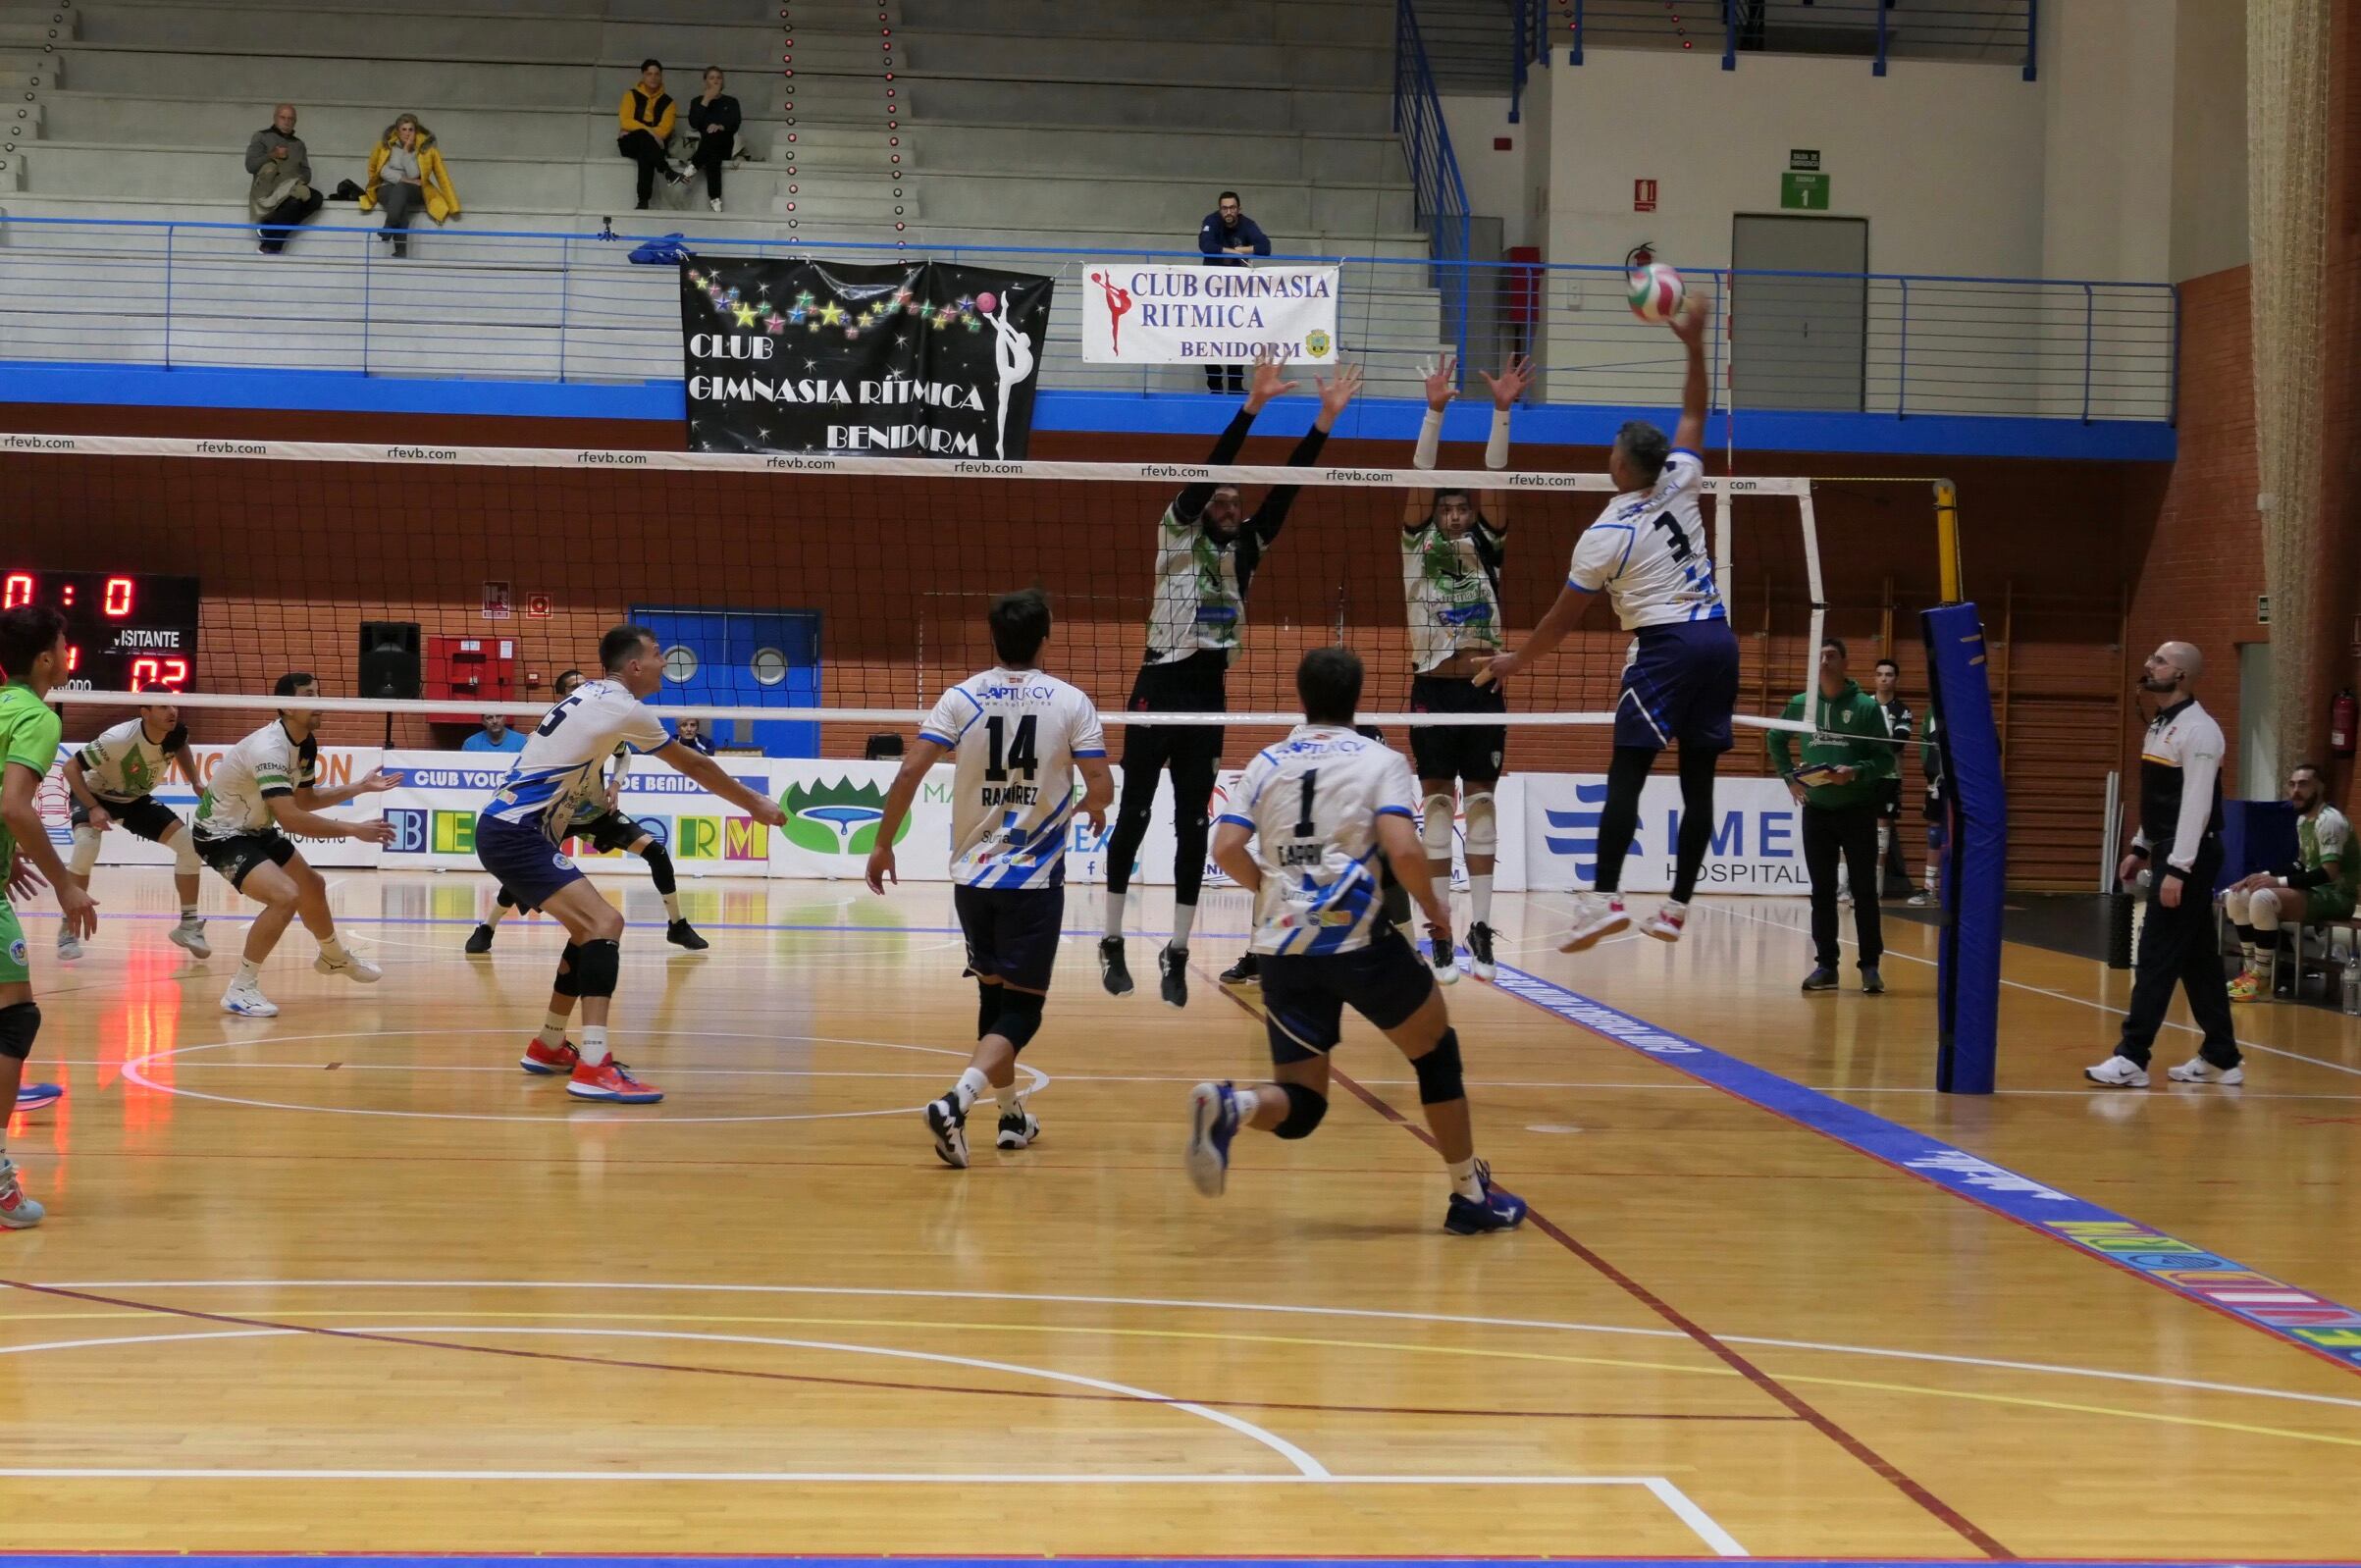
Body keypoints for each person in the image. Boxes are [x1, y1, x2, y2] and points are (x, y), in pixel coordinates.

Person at [1182, 647, 1527, 1235]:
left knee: (1304, 1104)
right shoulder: (1380, 760)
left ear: (1301, 695)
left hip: (1282, 947)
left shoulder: (1266, 762)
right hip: (1359, 941)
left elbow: (1223, 850)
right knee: (1436, 1055)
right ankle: (1470, 1195)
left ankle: (1233, 1106)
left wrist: (1268, 886)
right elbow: (1403, 847)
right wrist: (1433, 910)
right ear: (1357, 697)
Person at [1099, 354, 1362, 1009]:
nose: (1226, 504)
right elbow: (1212, 471)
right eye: (1218, 498)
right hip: (1158, 683)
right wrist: (1252, 408)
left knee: (1194, 825)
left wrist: (1323, 422)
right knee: (1133, 814)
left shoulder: (1246, 547)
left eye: (1233, 502)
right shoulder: (1175, 531)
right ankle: (1111, 939)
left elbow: (1288, 491)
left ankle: (1179, 948)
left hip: (1207, 694)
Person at [1478, 295, 1734, 952]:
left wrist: (1516, 662)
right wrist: (1695, 344)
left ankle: (1604, 896)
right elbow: (1696, 413)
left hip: (1668, 647)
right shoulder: (1681, 477)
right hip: (1718, 638)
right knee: (1699, 779)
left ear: (1622, 467)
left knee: (1628, 770)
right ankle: (1677, 906)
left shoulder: (1604, 534)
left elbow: (1562, 623)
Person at [475, 626, 784, 1104]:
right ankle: (595, 1065)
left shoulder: (593, 696)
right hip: (516, 831)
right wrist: (753, 804)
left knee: (587, 930)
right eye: (659, 655)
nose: (666, 663)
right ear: (635, 666)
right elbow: (696, 766)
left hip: (513, 827)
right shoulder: (624, 706)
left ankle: (550, 1043)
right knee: (605, 923)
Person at [865, 590, 1114, 1167]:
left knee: (992, 999)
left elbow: (908, 772)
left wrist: (882, 844)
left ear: (992, 638)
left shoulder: (961, 698)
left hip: (973, 878)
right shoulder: (1072, 702)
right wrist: (1089, 804)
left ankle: (1009, 1117)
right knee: (1024, 1011)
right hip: (1032, 879)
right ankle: (957, 1100)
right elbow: (1101, 785)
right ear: (1045, 637)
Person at [1390, 351, 1531, 987]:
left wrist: (1502, 413)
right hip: (1430, 687)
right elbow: (1418, 480)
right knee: (1437, 805)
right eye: (1445, 508)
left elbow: (1498, 483)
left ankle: (1480, 926)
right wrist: (1434, 411)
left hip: (1483, 690)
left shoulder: (1488, 543)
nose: (1453, 515)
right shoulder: (1417, 544)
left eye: (1461, 509)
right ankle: (1441, 928)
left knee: (1482, 807)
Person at [193, 674, 399, 1018]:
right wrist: (354, 829)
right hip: (219, 834)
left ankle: (333, 957)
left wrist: (358, 788)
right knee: (285, 896)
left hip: (255, 828)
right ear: (288, 706)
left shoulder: (305, 742)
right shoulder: (269, 749)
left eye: (319, 693)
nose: (319, 701)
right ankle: (240, 988)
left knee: (312, 886)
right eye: (309, 695)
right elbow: (290, 819)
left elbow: (303, 800)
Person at [466, 667, 710, 955]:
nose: (582, 689)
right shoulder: (549, 733)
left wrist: (616, 784)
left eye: (584, 684)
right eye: (573, 686)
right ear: (562, 696)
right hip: (556, 815)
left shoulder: (604, 723)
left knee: (655, 852)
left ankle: (677, 925)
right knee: (527, 872)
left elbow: (624, 753)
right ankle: (487, 926)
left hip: (594, 811)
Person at [2088, 641, 2242, 1088]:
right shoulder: (2160, 724)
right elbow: (2160, 799)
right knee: (2197, 960)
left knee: (2155, 952)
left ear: (2182, 675)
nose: (2148, 664)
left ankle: (2132, 1056)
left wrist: (2178, 869)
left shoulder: (2201, 731)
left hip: (2189, 853)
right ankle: (2222, 1056)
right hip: (2169, 847)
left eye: (2159, 661)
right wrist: (2139, 846)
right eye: (2151, 657)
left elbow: (2195, 805)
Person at [0, 606, 100, 1227]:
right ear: (46, 658)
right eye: (64, 643)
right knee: (14, 1018)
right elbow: (14, 803)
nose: (68, 652)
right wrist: (66, 884)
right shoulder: (36, 717)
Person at [1768, 638, 1896, 994]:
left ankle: (1870, 966)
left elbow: (1885, 760)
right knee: (1821, 891)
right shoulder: (1801, 704)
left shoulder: (1866, 708)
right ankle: (1826, 965)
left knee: (1864, 891)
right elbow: (1775, 739)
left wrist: (1855, 771)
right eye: (1819, 656)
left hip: (1857, 810)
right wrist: (1789, 778)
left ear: (1844, 662)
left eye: (1831, 656)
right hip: (1818, 812)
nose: (1824, 661)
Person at [55, 694, 209, 963]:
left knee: (189, 846)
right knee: (86, 846)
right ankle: (68, 930)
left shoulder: (176, 732)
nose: (172, 711)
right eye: (163, 706)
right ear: (145, 712)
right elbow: (70, 768)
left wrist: (195, 781)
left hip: (133, 800)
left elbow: (181, 745)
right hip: (93, 793)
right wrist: (93, 807)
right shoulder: (118, 738)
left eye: (173, 705)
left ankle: (187, 926)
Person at [2223, 760, 2354, 1002]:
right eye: (2292, 784)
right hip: (2314, 892)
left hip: (2336, 895)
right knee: (2237, 895)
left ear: (2320, 788)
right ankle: (2252, 972)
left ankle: (2263, 979)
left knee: (2264, 898)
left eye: (2303, 784)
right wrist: (2263, 875)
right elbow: (2302, 865)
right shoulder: (2303, 821)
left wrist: (2278, 882)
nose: (2295, 791)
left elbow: (2329, 873)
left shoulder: (2330, 821)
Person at [1196, 191, 1271, 393]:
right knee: (1210, 341)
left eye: (1232, 208)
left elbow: (1265, 247)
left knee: (1237, 338)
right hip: (1211, 292)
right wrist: (1232, 251)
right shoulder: (1211, 221)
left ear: (1239, 209)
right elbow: (1206, 245)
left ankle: (1236, 386)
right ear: (1220, 209)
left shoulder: (1247, 224)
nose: (1228, 211)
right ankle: (1215, 387)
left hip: (1238, 292)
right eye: (1224, 208)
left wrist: (1243, 250)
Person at [359, 113, 460, 259]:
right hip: (387, 187)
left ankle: (389, 226)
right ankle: (400, 250)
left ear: (416, 131)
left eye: (411, 129)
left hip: (415, 190)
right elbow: (382, 170)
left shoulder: (424, 149)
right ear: (398, 131)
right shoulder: (387, 146)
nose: (407, 133)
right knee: (401, 204)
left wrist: (407, 152)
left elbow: (416, 174)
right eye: (404, 129)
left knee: (400, 190)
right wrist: (404, 179)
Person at [246, 103, 323, 254]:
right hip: (268, 190)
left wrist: (297, 180)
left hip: (291, 188)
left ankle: (269, 232)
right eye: (283, 117)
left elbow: (307, 172)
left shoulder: (299, 144)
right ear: (275, 118)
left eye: (291, 119)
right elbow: (250, 165)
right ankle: (271, 244)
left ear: (295, 122)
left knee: (316, 198)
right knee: (294, 202)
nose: (287, 121)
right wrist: (272, 155)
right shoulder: (261, 136)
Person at [1871, 656, 1915, 901]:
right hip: (1864, 775)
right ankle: (1844, 884)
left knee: (1881, 833)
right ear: (1875, 678)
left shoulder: (1903, 710)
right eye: (1880, 674)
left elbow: (1898, 743)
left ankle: (1875, 886)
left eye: (1889, 674)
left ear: (1895, 679)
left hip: (1889, 776)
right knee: (1853, 827)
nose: (1884, 678)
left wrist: (1872, 746)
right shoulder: (1863, 705)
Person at [617, 60, 686, 210]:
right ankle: (666, 170)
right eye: (649, 74)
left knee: (645, 154)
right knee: (643, 137)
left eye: (657, 74)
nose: (653, 77)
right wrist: (648, 131)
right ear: (643, 76)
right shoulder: (631, 95)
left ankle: (643, 201)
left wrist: (643, 131)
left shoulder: (669, 102)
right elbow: (625, 121)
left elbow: (665, 130)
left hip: (652, 145)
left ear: (661, 77)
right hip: (630, 142)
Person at [686, 67, 740, 213]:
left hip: (724, 144)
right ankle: (715, 199)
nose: (716, 80)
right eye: (711, 78)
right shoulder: (698, 101)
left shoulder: (731, 101)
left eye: (718, 78)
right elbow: (694, 123)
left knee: (714, 133)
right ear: (705, 81)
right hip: (707, 147)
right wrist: (706, 99)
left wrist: (720, 126)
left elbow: (735, 123)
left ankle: (693, 166)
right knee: (712, 157)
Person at [1913, 707, 1945, 907]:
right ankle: (1929, 887)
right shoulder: (1931, 712)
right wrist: (1931, 770)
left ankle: (1957, 887)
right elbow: (1925, 743)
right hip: (1937, 783)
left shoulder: (1970, 706)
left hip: (1963, 784)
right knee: (1935, 832)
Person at [462, 713, 527, 754]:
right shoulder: (471, 744)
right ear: (483, 721)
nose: (495, 721)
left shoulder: (521, 741)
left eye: (498, 716)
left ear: (505, 718)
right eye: (490, 717)